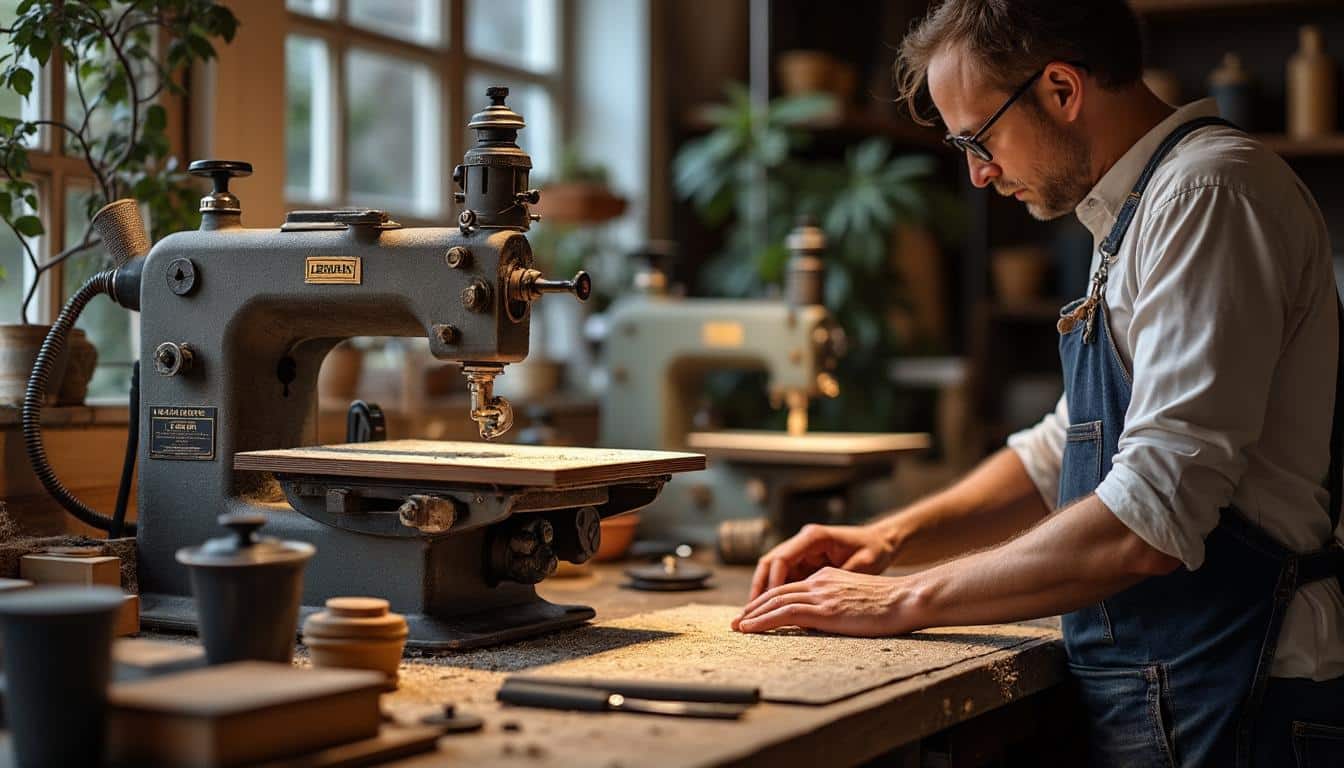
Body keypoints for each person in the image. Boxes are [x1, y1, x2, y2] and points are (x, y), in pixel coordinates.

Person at [731, 2, 1344, 765]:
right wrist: (886, 540)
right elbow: (1063, 449)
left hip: (1242, 698)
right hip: (1176, 682)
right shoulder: (1135, 209)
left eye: (978, 138)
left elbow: (1147, 519)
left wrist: (901, 598)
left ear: (1060, 88)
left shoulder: (1206, 196)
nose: (978, 173)